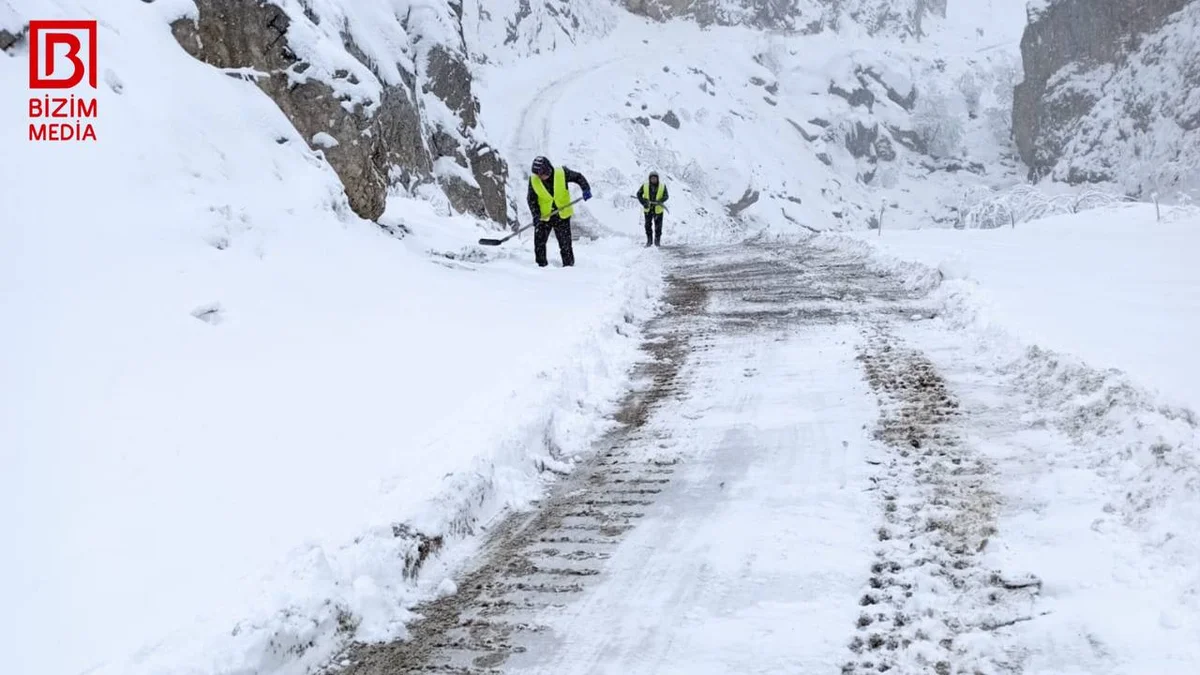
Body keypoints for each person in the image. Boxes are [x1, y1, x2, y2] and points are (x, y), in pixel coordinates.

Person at [527, 156, 591, 267]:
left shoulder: (562, 173)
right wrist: (536, 215)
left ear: (547, 169)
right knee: (539, 244)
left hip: (562, 215)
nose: (539, 177)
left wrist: (586, 189)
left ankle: (569, 267)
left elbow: (578, 177)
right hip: (544, 216)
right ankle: (540, 267)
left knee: (565, 244)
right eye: (537, 174)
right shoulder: (534, 180)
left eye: (541, 174)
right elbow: (531, 199)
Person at [635, 171, 668, 247]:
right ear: (649, 179)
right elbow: (638, 194)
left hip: (658, 210)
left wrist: (660, 200)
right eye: (652, 178)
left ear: (657, 179)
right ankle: (649, 242)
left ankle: (657, 243)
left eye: (655, 178)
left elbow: (666, 196)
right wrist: (644, 203)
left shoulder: (662, 186)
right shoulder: (645, 186)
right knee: (647, 226)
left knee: (658, 227)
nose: (653, 180)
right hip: (648, 209)